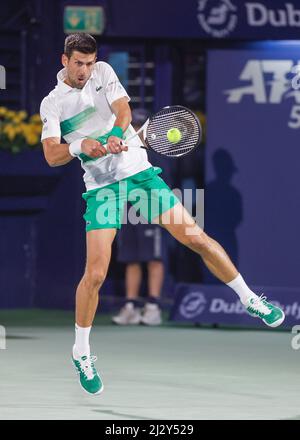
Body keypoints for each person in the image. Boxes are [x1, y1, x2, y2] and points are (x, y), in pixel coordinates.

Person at [40, 33, 285, 396]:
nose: (85, 70)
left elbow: (123, 110)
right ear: (65, 61)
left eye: (90, 63)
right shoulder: (53, 104)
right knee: (95, 273)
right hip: (102, 188)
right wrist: (79, 146)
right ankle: (82, 351)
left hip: (140, 175)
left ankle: (250, 299)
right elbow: (51, 155)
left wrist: (118, 134)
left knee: (195, 237)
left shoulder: (104, 73)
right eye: (79, 63)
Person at [113, 109, 166, 326]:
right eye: (133, 125)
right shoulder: (122, 148)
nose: (136, 129)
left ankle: (153, 307)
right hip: (127, 207)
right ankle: (131, 307)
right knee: (131, 258)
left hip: (151, 208)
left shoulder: (157, 150)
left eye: (140, 125)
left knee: (154, 258)